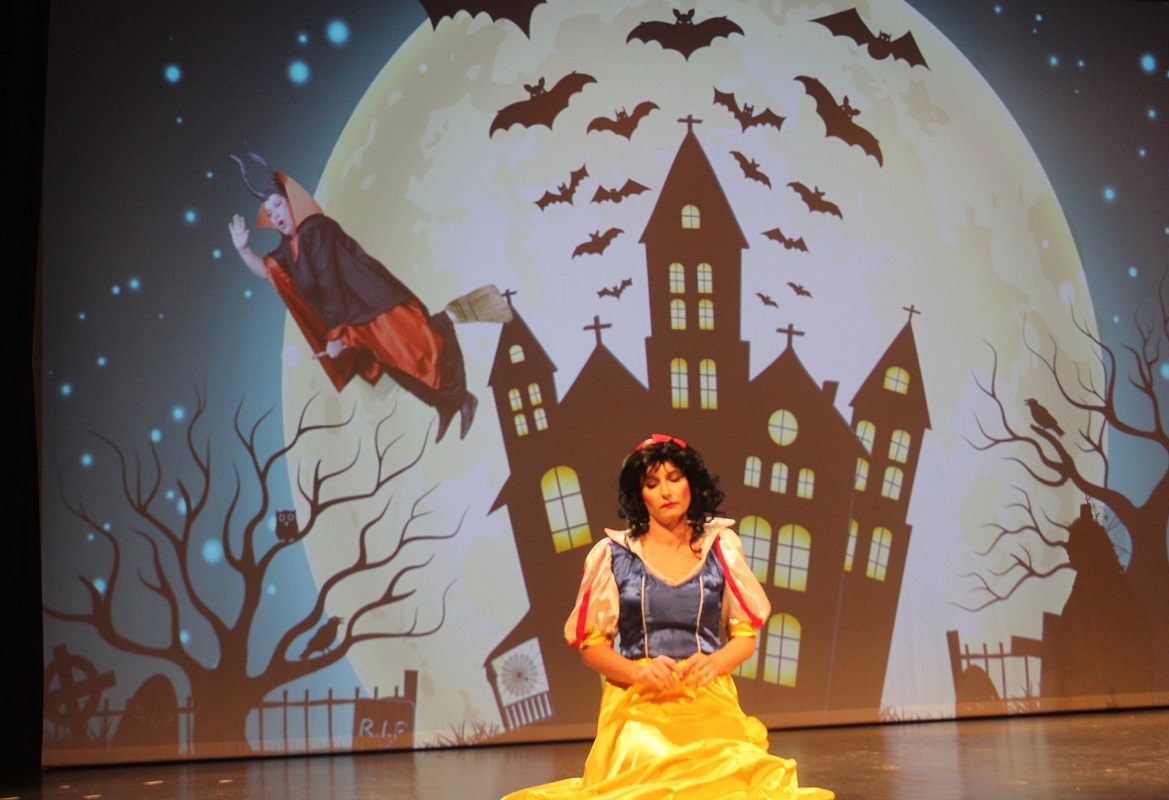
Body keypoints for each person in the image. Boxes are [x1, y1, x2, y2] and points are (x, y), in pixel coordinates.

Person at [502, 434, 834, 799]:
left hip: (705, 694)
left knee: (734, 764)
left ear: (692, 483)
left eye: (675, 478)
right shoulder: (613, 555)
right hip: (638, 700)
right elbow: (592, 649)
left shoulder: (721, 548)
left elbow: (745, 637)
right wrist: (640, 673)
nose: (666, 491)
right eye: (652, 483)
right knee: (653, 758)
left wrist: (715, 662)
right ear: (639, 494)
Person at [228, 148, 505, 442]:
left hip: (374, 305)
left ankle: (461, 391)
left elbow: (329, 282)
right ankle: (446, 404)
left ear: (291, 201)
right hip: (356, 322)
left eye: (277, 205)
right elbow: (267, 270)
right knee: (397, 368)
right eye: (270, 213)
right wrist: (243, 249)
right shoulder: (289, 247)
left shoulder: (315, 230)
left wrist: (334, 336)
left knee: (419, 347)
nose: (275, 215)